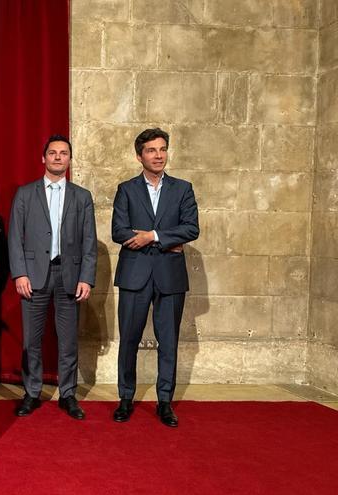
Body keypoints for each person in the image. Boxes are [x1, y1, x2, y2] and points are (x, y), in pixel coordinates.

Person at [111, 128, 199, 427]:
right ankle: (125, 398)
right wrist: (168, 241)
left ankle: (165, 402)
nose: (158, 155)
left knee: (169, 341)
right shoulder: (126, 189)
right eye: (151, 150)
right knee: (129, 340)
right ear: (140, 156)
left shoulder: (183, 188)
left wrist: (152, 236)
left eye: (162, 149)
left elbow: (191, 229)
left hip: (170, 276)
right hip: (135, 274)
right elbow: (119, 231)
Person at [8, 135, 97, 419]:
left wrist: (86, 277)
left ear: (70, 160)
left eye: (64, 153)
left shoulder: (82, 197)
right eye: (53, 153)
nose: (58, 157)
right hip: (33, 276)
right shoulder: (25, 193)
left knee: (68, 340)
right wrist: (20, 273)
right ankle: (32, 392)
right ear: (43, 158)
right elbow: (14, 238)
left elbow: (89, 241)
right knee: (31, 340)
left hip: (69, 275)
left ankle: (68, 394)